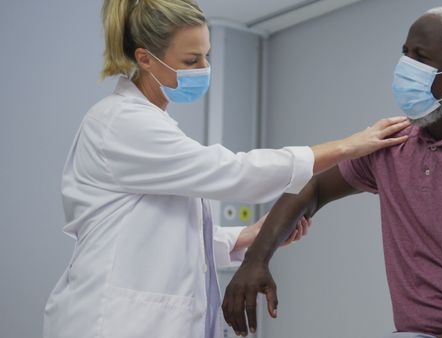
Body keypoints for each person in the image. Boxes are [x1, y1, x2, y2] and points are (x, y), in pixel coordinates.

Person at [42, 0, 411, 337]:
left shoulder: (152, 125)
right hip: (111, 322)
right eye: (191, 61)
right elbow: (236, 172)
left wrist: (247, 236)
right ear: (145, 58)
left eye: (206, 56)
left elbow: (170, 235)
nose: (205, 68)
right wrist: (350, 145)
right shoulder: (121, 123)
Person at [223, 6, 442, 338]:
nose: (405, 67)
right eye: (405, 53)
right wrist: (256, 260)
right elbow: (314, 187)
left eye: (421, 57)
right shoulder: (396, 142)